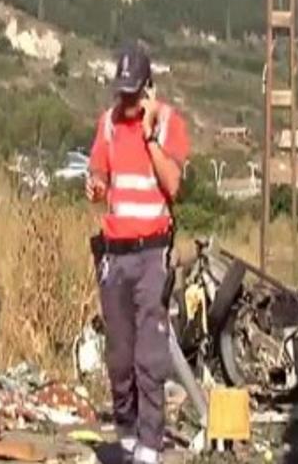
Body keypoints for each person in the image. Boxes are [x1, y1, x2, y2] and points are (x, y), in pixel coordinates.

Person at [85, 44, 190, 464]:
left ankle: (150, 443)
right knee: (119, 353)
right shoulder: (107, 125)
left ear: (148, 90)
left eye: (133, 95)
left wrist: (148, 135)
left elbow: (173, 184)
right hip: (114, 256)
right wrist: (94, 184)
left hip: (152, 255)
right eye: (121, 94)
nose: (125, 102)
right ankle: (126, 430)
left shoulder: (167, 124)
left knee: (149, 352)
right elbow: (98, 173)